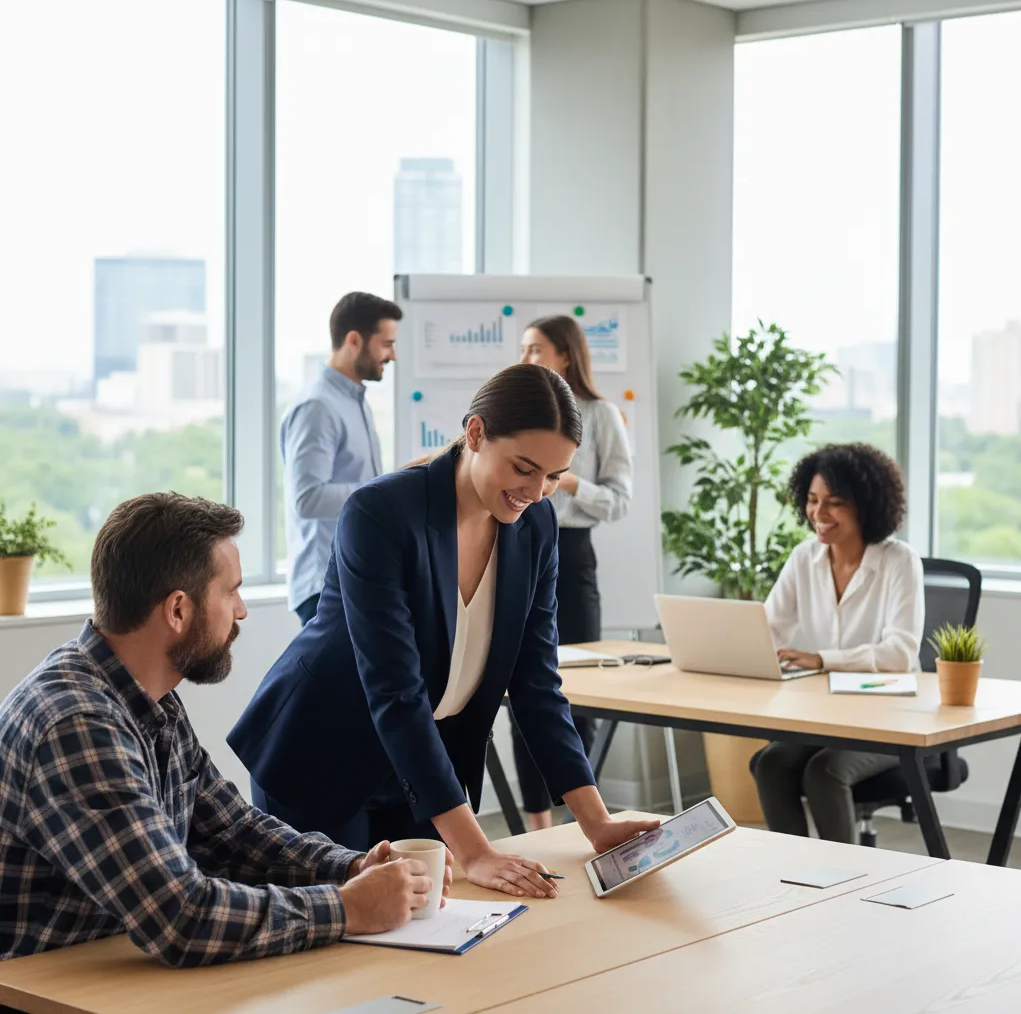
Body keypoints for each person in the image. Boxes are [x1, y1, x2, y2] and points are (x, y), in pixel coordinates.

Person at [229, 364, 658, 901]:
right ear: (475, 434)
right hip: (325, 753)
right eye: (523, 468)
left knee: (433, 930)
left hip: (427, 762)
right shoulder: (381, 513)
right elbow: (395, 692)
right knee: (339, 943)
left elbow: (537, 686)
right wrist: (476, 851)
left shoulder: (536, 526)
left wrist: (598, 825)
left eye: (553, 475)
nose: (537, 491)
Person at [0, 493, 450, 967]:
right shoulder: (77, 726)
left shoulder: (149, 700)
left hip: (115, 975)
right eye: (231, 591)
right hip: (46, 992)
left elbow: (231, 832)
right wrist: (347, 907)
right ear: (178, 610)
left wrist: (353, 867)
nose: (241, 611)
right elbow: (182, 916)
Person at [752, 443, 925, 844]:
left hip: (891, 715)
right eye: (812, 501)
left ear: (865, 504)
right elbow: (767, 629)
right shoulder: (803, 558)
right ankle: (792, 877)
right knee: (771, 763)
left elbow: (901, 653)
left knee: (824, 771)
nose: (819, 514)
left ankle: (844, 883)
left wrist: (820, 658)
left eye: (834, 503)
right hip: (824, 714)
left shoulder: (900, 561)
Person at [512, 314, 633, 830]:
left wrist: (565, 483)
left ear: (565, 355)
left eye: (536, 350)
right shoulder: (516, 412)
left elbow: (620, 500)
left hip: (574, 552)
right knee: (521, 689)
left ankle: (578, 820)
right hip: (519, 546)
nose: (527, 360)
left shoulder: (601, 415)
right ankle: (538, 827)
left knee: (578, 695)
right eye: (523, 350)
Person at [281, 291, 401, 626]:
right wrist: (384, 488)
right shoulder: (318, 406)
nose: (392, 355)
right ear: (353, 340)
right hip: (326, 587)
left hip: (354, 576)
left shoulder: (356, 400)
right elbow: (307, 499)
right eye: (386, 344)